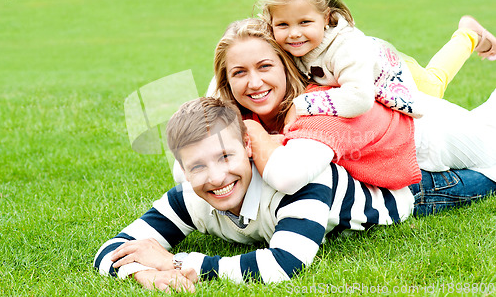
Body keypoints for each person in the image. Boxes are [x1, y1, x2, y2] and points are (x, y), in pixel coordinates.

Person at [94, 97, 496, 292]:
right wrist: (146, 273)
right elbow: (112, 249)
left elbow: (283, 264)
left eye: (225, 157)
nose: (215, 177)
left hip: (408, 193)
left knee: (490, 171)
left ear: (248, 149)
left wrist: (182, 262)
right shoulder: (190, 196)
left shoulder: (295, 185)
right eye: (197, 166)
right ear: (182, 167)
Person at [211, 17, 496, 194]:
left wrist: (251, 131)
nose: (254, 83)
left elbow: (287, 179)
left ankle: (469, 34)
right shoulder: (247, 105)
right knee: (484, 121)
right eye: (238, 72)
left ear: (286, 67)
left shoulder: (316, 105)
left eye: (264, 66)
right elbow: (188, 162)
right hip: (396, 156)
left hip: (426, 136)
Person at [260, 0, 496, 120]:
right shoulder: (278, 41)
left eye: (304, 22)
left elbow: (359, 98)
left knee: (434, 85)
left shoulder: (345, 48)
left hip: (395, 71)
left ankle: (468, 35)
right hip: (372, 57)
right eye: (283, 25)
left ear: (325, 18)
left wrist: (302, 104)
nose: (293, 34)